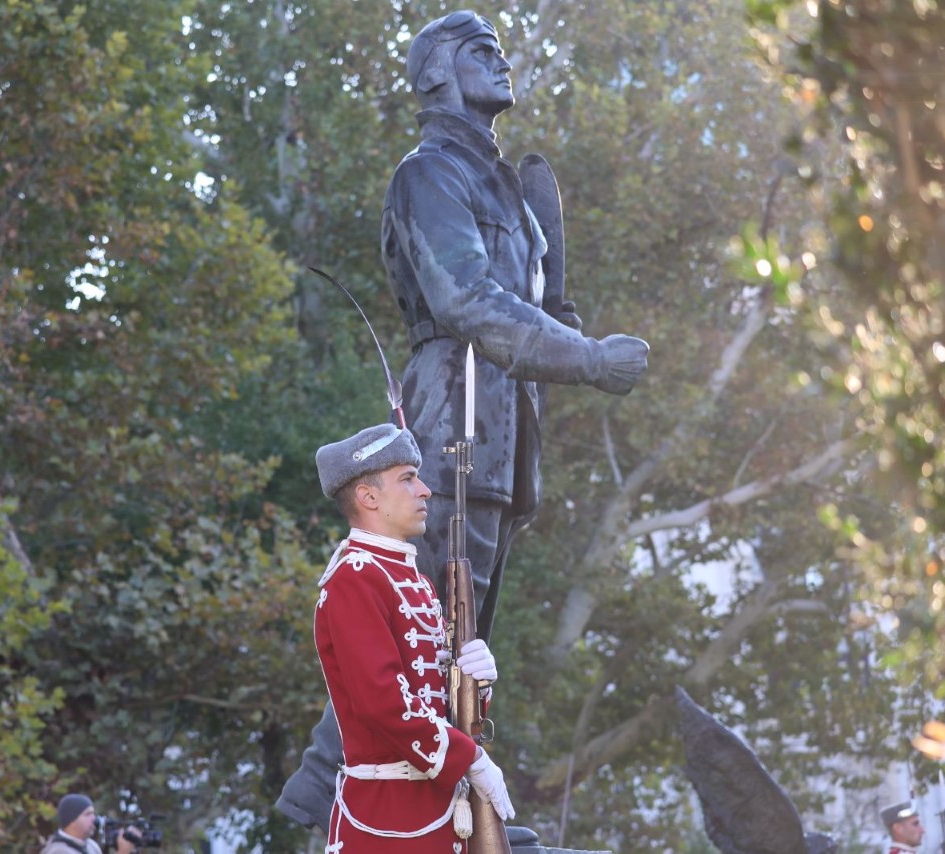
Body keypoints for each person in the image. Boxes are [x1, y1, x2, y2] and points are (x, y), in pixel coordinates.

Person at [277, 10, 649, 831]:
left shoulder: (505, 186)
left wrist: (552, 256)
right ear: (437, 72)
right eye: (483, 50)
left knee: (463, 635)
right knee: (424, 627)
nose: (503, 61)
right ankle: (325, 793)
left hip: (508, 431)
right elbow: (467, 301)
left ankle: (443, 799)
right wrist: (586, 357)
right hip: (456, 413)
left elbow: (541, 309)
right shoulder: (429, 174)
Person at [310, 422, 515, 851]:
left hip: (436, 812)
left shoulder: (411, 578)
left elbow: (433, 698)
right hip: (386, 821)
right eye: (407, 478)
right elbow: (383, 701)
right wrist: (471, 759)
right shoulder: (355, 578)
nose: (424, 490)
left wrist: (474, 684)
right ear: (368, 497)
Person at [41, 793, 138, 854]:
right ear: (72, 821)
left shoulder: (91, 845)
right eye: (88, 814)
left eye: (93, 813)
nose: (94, 818)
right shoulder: (58, 851)